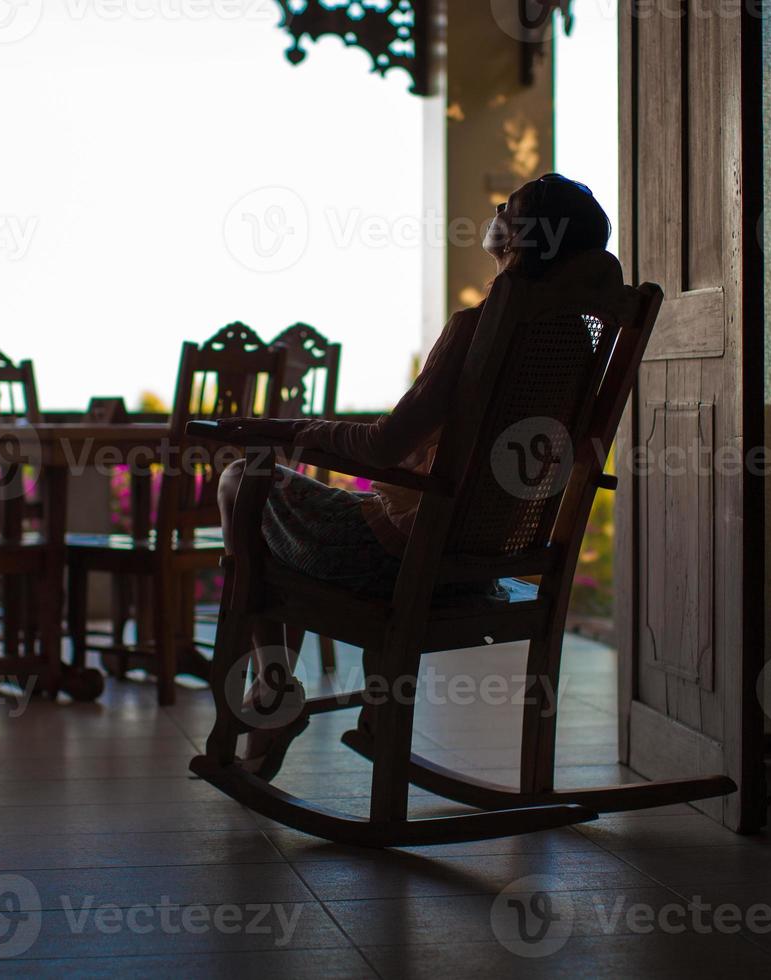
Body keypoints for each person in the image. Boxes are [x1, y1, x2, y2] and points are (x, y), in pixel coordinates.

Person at [215, 173, 621, 775]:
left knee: (243, 484)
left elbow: (384, 445)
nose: (496, 207)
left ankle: (274, 689)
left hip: (404, 564)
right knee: (293, 526)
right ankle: (372, 717)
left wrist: (292, 431)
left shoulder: (479, 329)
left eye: (508, 205)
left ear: (521, 237)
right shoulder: (582, 350)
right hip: (483, 571)